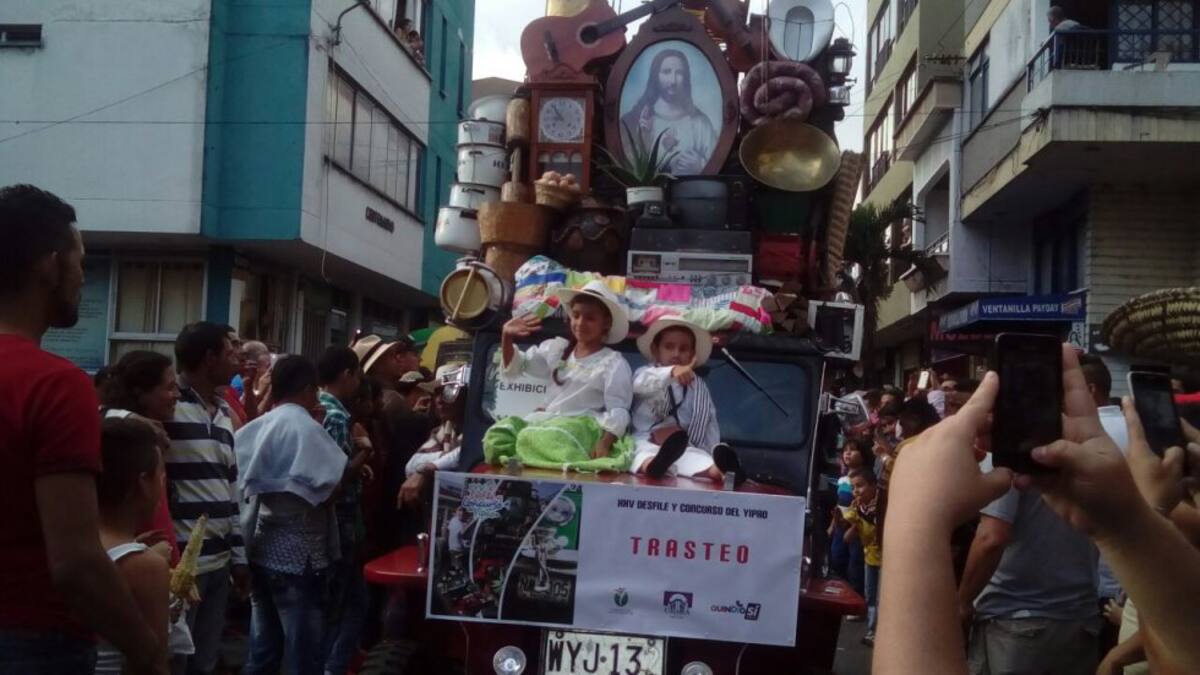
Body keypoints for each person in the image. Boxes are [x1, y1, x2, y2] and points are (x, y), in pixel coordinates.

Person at [875, 348, 1200, 675]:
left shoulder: (1003, 458)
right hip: (1078, 617)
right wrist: (1127, 525)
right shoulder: (1091, 463)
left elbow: (991, 537)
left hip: (1019, 624)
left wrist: (916, 521)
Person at [0, 184, 163, 673]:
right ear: (50, 266)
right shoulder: (54, 384)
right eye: (81, 262)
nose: (82, 278)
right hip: (32, 642)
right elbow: (75, 563)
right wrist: (148, 651)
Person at [235, 355, 349, 675]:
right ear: (308, 389)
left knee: (262, 652)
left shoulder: (258, 427)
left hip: (260, 548)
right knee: (304, 657)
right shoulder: (307, 429)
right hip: (300, 556)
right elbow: (329, 490)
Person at [484, 280, 635, 471]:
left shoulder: (613, 363)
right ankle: (523, 461)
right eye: (576, 315)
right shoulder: (557, 349)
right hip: (547, 422)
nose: (580, 323)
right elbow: (519, 365)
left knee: (553, 436)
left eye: (590, 318)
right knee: (497, 434)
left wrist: (605, 443)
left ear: (606, 323)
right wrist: (506, 336)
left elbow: (619, 410)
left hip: (580, 427)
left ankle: (528, 458)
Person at [166, 321, 247, 675]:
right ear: (209, 358)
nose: (236, 360)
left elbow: (231, 489)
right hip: (180, 565)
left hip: (219, 563)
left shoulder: (224, 412)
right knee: (174, 660)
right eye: (229, 353)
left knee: (205, 662)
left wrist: (239, 557)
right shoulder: (167, 406)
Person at [93, 419, 171, 674]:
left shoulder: (74, 549)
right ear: (143, 483)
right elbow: (153, 665)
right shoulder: (145, 566)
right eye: (161, 477)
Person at [316, 347, 373, 675]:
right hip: (340, 522)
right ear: (347, 375)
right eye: (357, 376)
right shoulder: (336, 416)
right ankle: (331, 666)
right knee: (343, 603)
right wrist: (364, 452)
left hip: (330, 523)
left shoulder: (317, 407)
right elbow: (334, 478)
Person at [100, 350, 183, 562]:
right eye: (169, 387)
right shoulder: (136, 440)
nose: (177, 395)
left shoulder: (109, 424)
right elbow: (159, 521)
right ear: (140, 392)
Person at [630, 317, 729, 481]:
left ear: (692, 354)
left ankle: (723, 471)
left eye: (683, 349)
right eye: (669, 347)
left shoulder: (698, 386)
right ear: (655, 350)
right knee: (640, 453)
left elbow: (707, 421)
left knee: (699, 460)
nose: (676, 353)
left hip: (682, 446)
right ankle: (654, 466)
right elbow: (639, 385)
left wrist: (711, 449)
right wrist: (671, 372)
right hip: (645, 440)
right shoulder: (645, 374)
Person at [620, 48, 717, 175]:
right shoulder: (636, 119)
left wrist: (701, 166)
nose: (673, 81)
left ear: (686, 78)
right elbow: (628, 167)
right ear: (655, 76)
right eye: (666, 72)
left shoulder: (700, 123)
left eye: (679, 73)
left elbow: (716, 161)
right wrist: (643, 139)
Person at [401, 365, 467, 506]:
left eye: (448, 392)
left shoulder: (478, 430)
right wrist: (444, 457)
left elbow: (467, 453)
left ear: (465, 396)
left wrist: (427, 469)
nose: (439, 400)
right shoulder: (443, 430)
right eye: (436, 393)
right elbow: (411, 465)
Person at [843, 469, 882, 646]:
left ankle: (880, 632)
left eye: (860, 486)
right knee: (871, 596)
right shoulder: (859, 508)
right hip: (870, 557)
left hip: (885, 559)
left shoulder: (882, 508)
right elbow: (847, 536)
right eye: (853, 487)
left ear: (874, 486)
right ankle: (872, 631)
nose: (856, 491)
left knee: (881, 598)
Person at [830, 439, 869, 597]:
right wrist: (832, 525)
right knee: (837, 558)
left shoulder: (864, 478)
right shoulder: (842, 479)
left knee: (855, 563)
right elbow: (839, 504)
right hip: (840, 526)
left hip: (855, 528)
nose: (847, 453)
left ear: (863, 455)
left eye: (852, 450)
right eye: (845, 450)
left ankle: (855, 596)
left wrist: (854, 524)